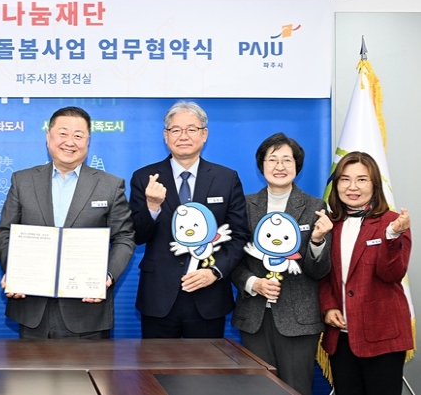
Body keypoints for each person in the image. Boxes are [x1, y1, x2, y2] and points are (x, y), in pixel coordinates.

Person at [0, 106, 135, 339]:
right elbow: (5, 232)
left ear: (88, 141)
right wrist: (14, 271)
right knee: (30, 365)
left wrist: (107, 276)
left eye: (78, 135)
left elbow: (124, 237)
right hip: (32, 306)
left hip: (86, 310)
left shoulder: (110, 185)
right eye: (63, 133)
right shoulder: (23, 180)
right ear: (48, 137)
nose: (70, 142)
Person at [129, 100, 249, 338]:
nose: (183, 136)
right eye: (176, 130)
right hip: (159, 295)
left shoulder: (226, 178)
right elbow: (137, 236)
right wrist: (152, 206)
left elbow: (239, 236)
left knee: (206, 362)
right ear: (166, 135)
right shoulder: (145, 177)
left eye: (191, 129)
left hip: (208, 293)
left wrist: (214, 271)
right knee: (156, 362)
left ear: (204, 134)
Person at [230, 133, 332, 395]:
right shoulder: (244, 206)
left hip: (299, 320)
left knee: (296, 388)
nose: (280, 166)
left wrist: (317, 241)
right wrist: (253, 283)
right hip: (254, 317)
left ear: (297, 166)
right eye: (272, 159)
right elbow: (232, 258)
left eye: (287, 160)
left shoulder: (315, 207)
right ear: (261, 165)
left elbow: (319, 271)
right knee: (257, 389)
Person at [319, 151, 412, 395]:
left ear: (375, 185)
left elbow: (392, 274)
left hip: (382, 337)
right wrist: (328, 306)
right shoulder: (329, 224)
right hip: (341, 338)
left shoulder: (393, 223)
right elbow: (323, 274)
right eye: (345, 179)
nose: (352, 187)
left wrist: (392, 236)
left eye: (361, 179)